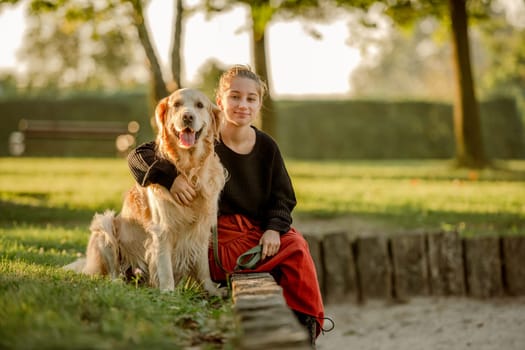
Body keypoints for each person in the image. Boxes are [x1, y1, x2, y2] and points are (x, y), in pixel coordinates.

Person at [127, 65, 325, 344]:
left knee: (294, 244)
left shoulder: (267, 146)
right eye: (235, 97)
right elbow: (139, 155)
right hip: (214, 238)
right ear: (219, 103)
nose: (242, 105)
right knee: (294, 250)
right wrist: (170, 178)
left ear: (258, 104)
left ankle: (306, 327)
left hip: (256, 229)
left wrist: (274, 227)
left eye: (250, 99)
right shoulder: (203, 137)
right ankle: (300, 330)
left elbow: (282, 197)